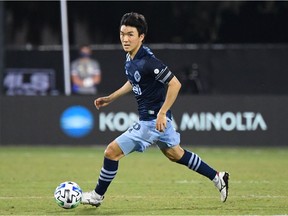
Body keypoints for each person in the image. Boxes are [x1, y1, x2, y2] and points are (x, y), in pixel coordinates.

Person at [81, 12, 229, 207]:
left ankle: (97, 196)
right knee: (175, 154)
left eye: (130, 34)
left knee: (111, 152)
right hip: (159, 119)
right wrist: (110, 98)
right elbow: (133, 81)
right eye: (122, 33)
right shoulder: (130, 58)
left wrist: (161, 112)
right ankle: (217, 176)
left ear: (141, 37)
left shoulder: (149, 62)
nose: (125, 39)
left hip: (152, 120)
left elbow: (175, 84)